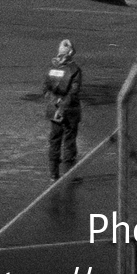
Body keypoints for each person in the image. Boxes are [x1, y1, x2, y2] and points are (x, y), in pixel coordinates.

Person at [43, 39, 83, 180]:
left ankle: (53, 173)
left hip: (53, 108)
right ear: (71, 53)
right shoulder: (74, 69)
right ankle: (69, 174)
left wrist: (55, 102)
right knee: (69, 141)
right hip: (69, 110)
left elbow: (45, 88)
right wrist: (64, 105)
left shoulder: (52, 67)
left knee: (54, 140)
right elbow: (74, 91)